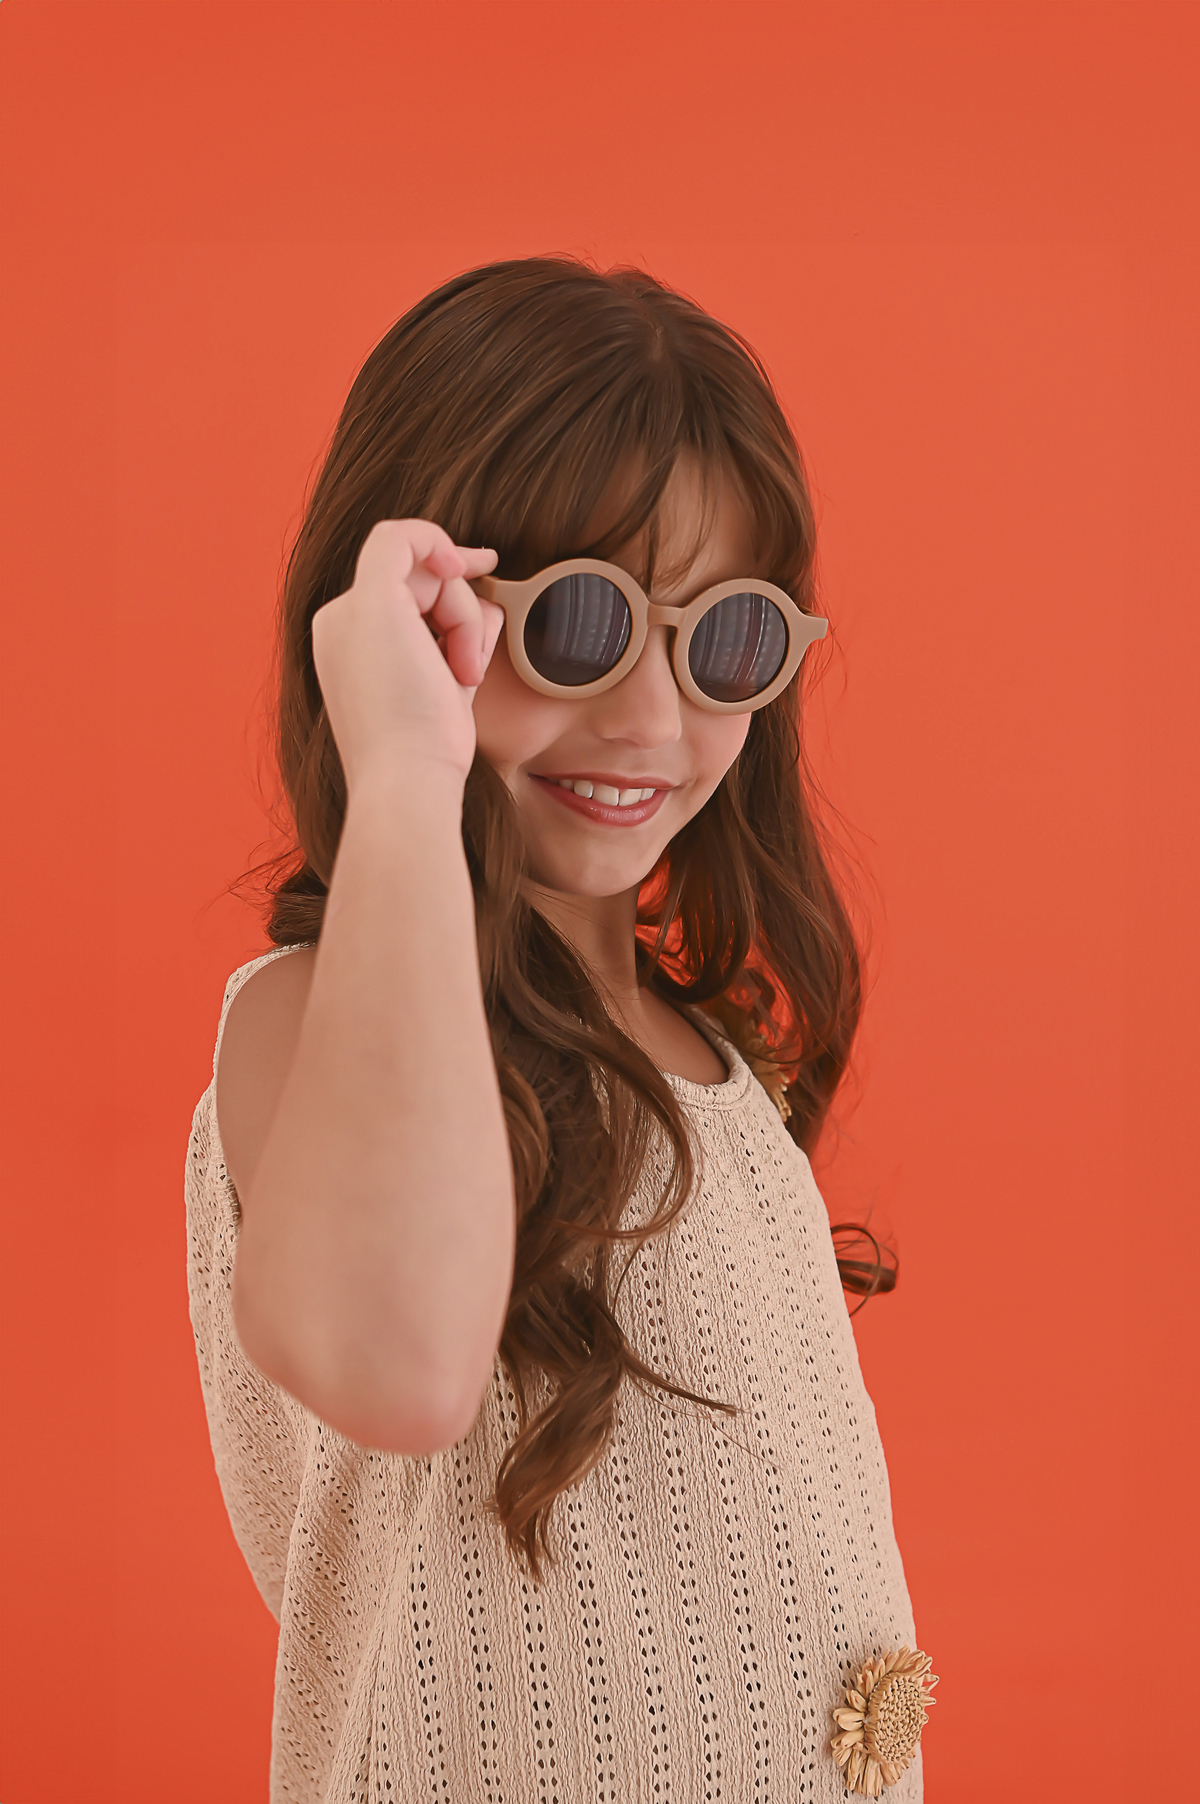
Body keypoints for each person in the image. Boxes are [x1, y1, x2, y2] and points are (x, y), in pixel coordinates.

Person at [185, 255, 935, 1802]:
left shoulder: (709, 1057)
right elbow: (401, 1368)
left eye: (725, 644)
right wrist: (404, 771)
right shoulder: (313, 1021)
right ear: (411, 630)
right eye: (580, 626)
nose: (650, 721)